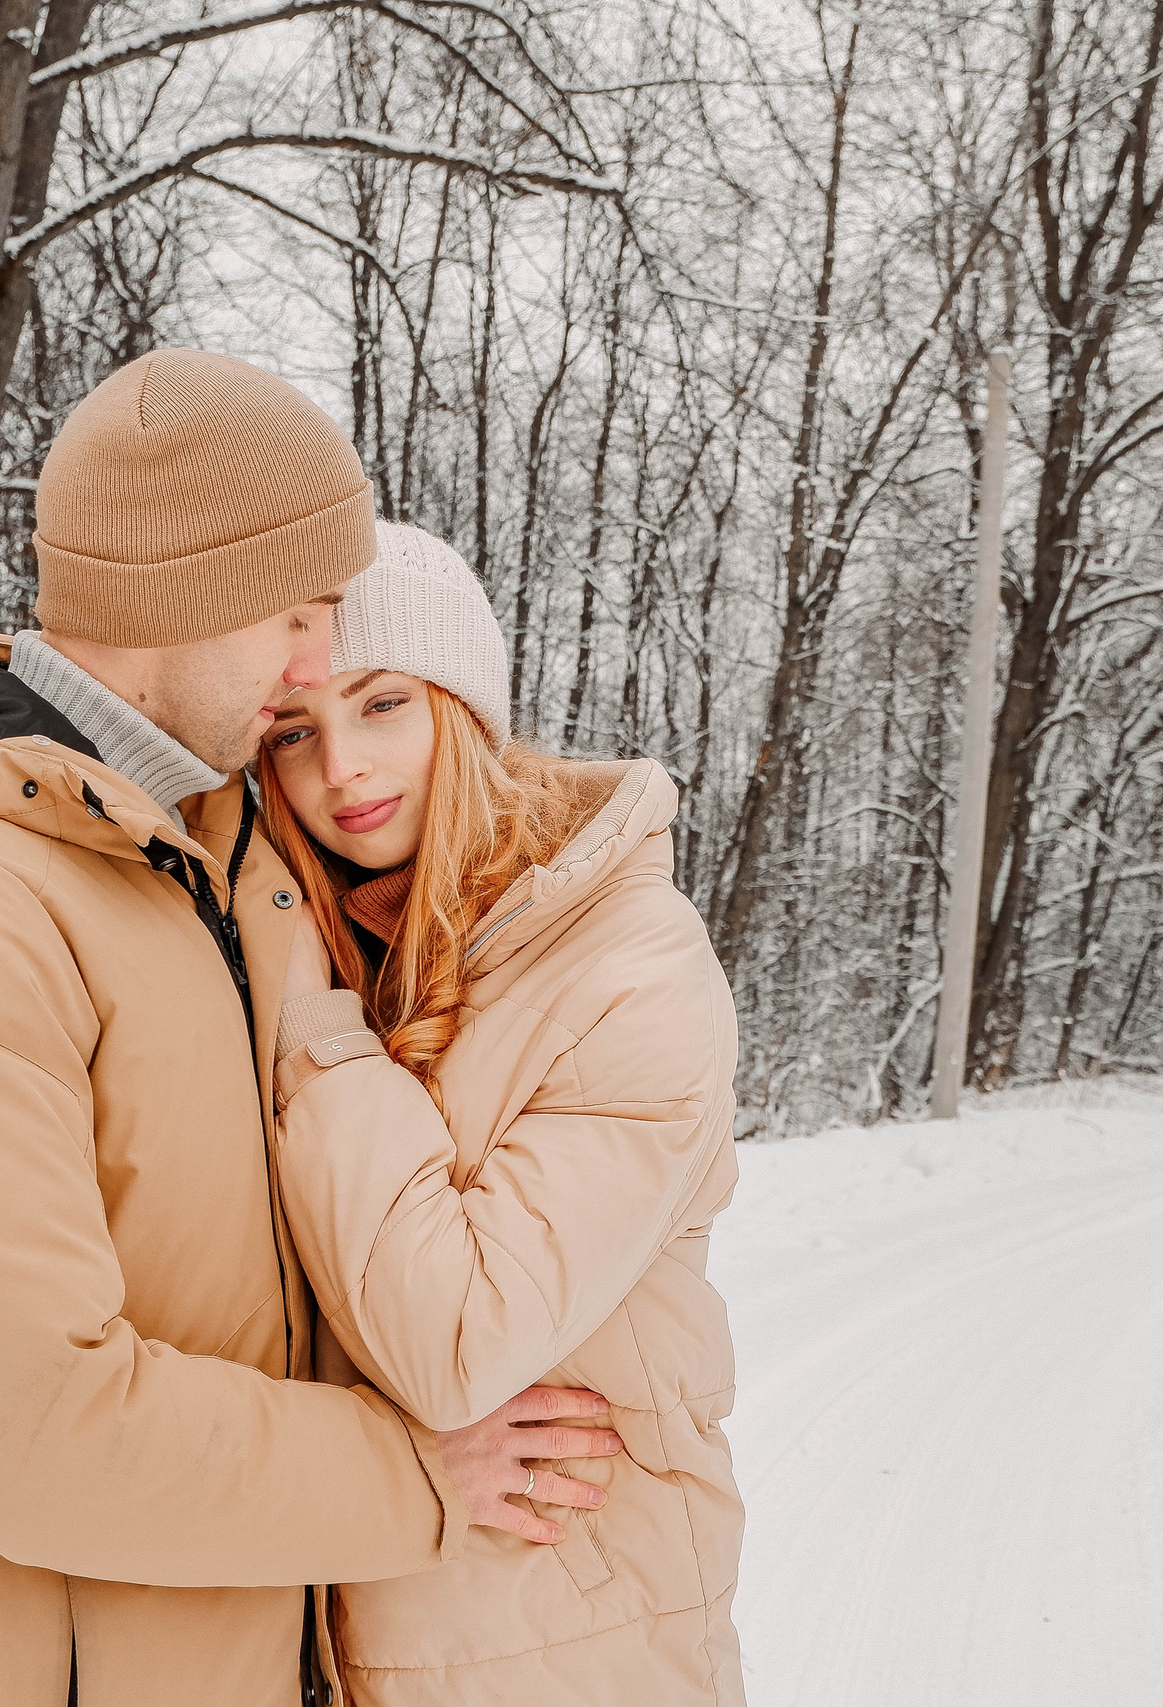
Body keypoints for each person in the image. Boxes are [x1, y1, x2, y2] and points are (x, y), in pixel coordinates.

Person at [0, 351, 619, 1707]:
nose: (323, 659)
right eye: (304, 611)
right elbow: (16, 1430)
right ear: (192, 593)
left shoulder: (209, 858)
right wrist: (411, 1476)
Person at [256, 521, 745, 1706]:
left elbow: (458, 1339)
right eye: (294, 732)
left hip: (563, 1639)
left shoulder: (632, 966)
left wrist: (310, 1019)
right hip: (356, 1616)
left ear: (460, 711)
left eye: (382, 707)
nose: (344, 774)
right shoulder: (350, 939)